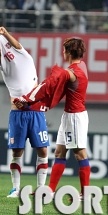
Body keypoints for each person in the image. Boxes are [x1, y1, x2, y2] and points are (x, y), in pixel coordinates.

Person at [0, 25, 49, 198]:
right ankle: (15, 188)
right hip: (18, 113)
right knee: (17, 151)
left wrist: (5, 33)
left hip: (36, 111)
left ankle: (41, 189)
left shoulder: (25, 55)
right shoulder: (2, 64)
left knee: (42, 150)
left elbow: (16, 45)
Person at [45, 38, 91, 200]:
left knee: (80, 154)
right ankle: (50, 190)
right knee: (59, 152)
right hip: (68, 115)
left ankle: (85, 193)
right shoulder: (81, 66)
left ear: (69, 52)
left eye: (64, 50)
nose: (62, 53)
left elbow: (57, 84)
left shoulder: (71, 72)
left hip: (75, 117)